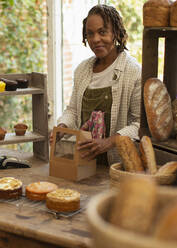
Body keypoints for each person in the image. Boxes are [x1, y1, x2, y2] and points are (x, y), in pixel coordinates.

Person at [50, 4, 141, 166]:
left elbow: (139, 124)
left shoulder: (133, 72)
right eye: (90, 34)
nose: (95, 39)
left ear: (116, 33)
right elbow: (73, 110)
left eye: (102, 32)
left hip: (118, 164)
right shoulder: (82, 70)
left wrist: (109, 142)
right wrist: (62, 127)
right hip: (84, 162)